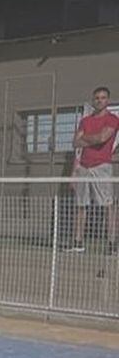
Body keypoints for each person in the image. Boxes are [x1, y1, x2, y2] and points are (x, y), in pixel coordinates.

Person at [66, 86, 119, 253]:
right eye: (97, 97)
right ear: (93, 100)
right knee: (81, 205)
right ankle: (78, 242)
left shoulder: (112, 119)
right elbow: (76, 142)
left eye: (103, 97)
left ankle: (111, 244)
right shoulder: (85, 120)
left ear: (107, 100)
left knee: (107, 205)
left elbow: (103, 138)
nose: (99, 100)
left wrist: (86, 138)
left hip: (102, 167)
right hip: (83, 167)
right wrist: (75, 170)